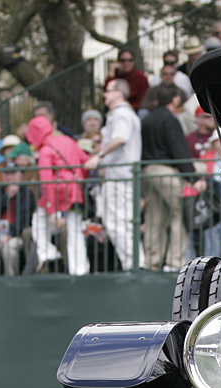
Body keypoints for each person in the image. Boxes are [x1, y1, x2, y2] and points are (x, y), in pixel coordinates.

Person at [140, 85, 206, 271]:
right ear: (175, 100)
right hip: (165, 171)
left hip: (146, 171)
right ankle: (173, 262)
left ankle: (151, 262)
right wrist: (192, 177)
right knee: (181, 213)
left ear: (156, 100)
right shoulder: (170, 120)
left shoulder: (147, 119)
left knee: (154, 217)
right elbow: (179, 150)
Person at [84, 79, 142, 271]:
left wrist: (98, 156)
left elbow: (120, 138)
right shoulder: (122, 114)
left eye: (107, 91)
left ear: (118, 93)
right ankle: (135, 263)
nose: (104, 95)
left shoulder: (121, 114)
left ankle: (133, 265)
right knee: (120, 221)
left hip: (120, 177)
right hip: (119, 176)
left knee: (118, 221)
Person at [26, 113, 90, 274]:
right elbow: (85, 160)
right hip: (74, 190)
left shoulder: (45, 151)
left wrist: (51, 209)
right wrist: (79, 175)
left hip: (57, 190)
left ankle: (48, 253)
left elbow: (46, 181)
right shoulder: (68, 141)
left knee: (39, 221)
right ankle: (80, 269)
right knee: (75, 229)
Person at [0, 160, 35, 276]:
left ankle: (10, 280)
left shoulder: (26, 193)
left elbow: (24, 217)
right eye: (7, 174)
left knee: (9, 249)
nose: (10, 177)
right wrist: (7, 197)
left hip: (16, 235)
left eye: (13, 174)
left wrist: (10, 234)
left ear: (20, 175)